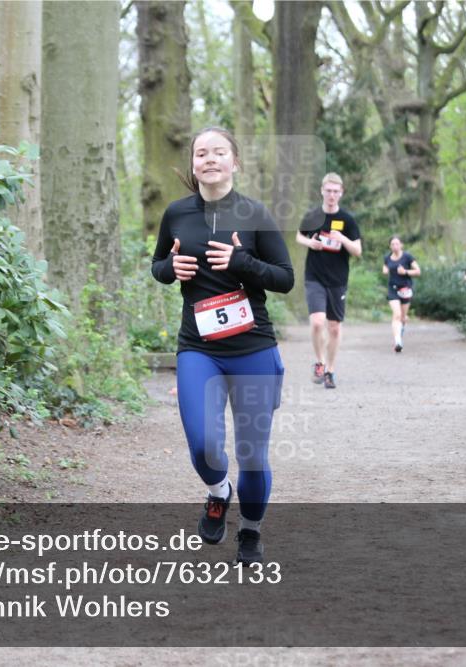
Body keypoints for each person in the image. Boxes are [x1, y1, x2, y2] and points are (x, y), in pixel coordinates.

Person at [151, 127, 294, 565]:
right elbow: (158, 266)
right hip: (199, 349)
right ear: (193, 164)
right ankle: (218, 491)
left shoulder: (255, 214)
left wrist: (242, 262)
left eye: (218, 152)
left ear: (235, 162)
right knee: (204, 445)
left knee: (252, 455)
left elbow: (284, 278)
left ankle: (250, 530)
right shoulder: (176, 213)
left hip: (253, 349)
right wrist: (171, 267)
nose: (209, 159)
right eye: (201, 153)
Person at [295, 173, 362, 389]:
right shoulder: (313, 216)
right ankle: (320, 362)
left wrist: (343, 239)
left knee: (334, 328)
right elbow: (299, 236)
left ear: (341, 193)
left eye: (336, 191)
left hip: (337, 280)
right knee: (317, 322)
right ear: (322, 191)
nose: (332, 195)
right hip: (314, 277)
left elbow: (358, 251)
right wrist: (310, 243)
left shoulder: (347, 220)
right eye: (328, 191)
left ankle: (330, 371)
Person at [382, 235, 421, 352]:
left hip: (405, 289)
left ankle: (401, 329)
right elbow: (385, 266)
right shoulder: (387, 257)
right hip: (392, 289)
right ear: (390, 246)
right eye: (392, 244)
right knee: (397, 315)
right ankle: (398, 341)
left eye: (397, 244)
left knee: (403, 317)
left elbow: (418, 271)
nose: (395, 246)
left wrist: (405, 272)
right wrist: (385, 270)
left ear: (401, 245)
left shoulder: (407, 257)